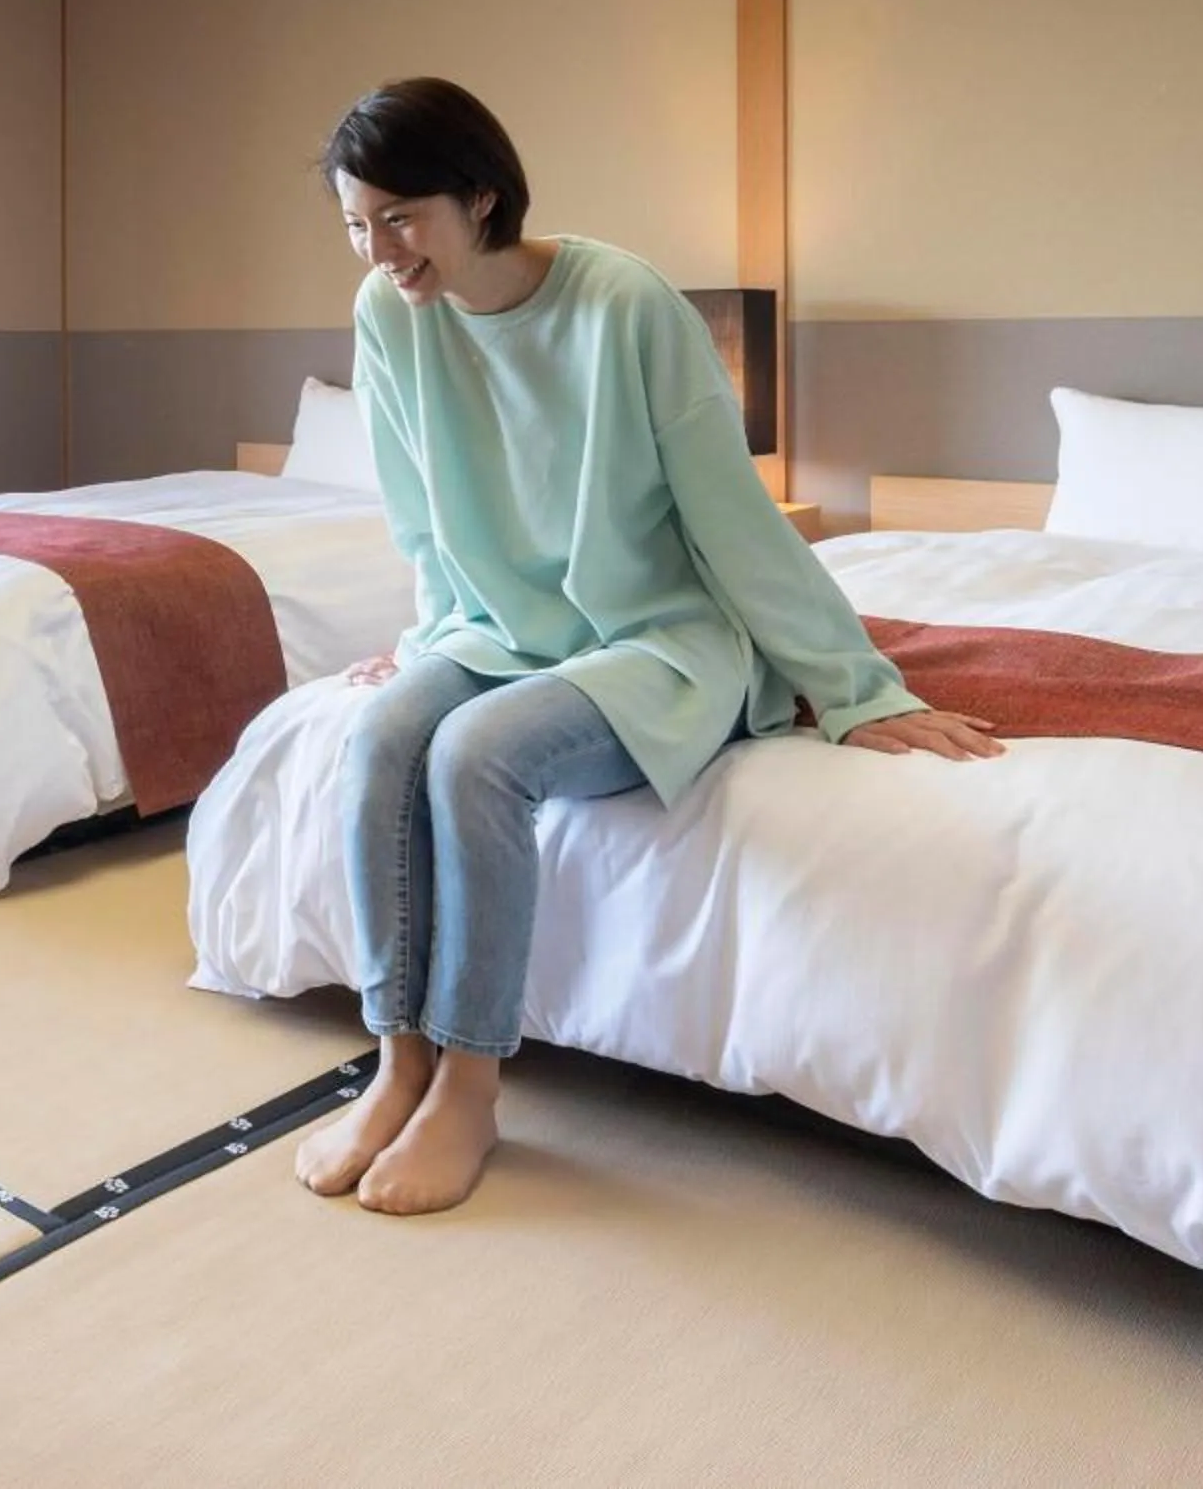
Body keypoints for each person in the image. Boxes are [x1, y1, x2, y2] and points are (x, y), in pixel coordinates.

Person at [297, 79, 997, 1217]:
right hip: (496, 630)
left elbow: (731, 513)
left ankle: (470, 1085)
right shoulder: (389, 313)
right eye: (356, 224)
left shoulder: (624, 303)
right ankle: (399, 1063)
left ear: (481, 197)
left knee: (477, 755)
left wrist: (855, 689)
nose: (380, 249)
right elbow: (419, 509)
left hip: (657, 636)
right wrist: (428, 642)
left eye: (401, 217)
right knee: (382, 738)